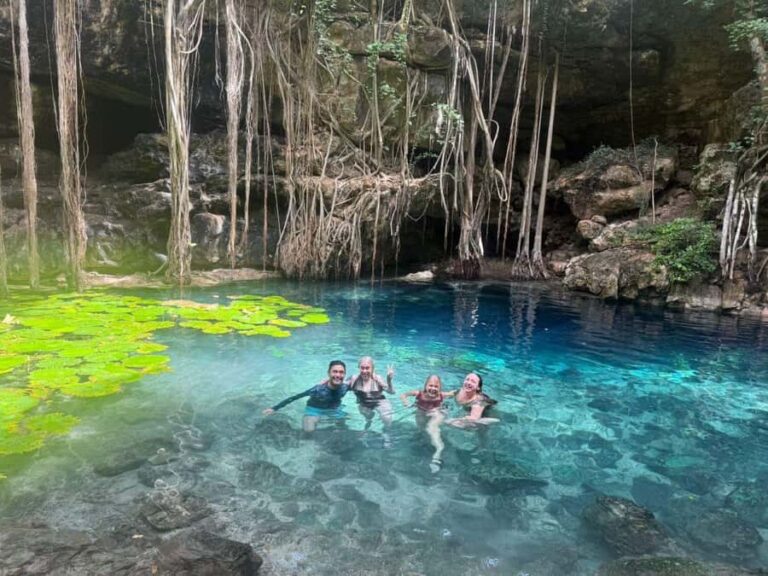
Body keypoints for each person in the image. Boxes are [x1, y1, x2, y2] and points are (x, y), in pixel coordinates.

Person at [263, 360, 349, 433]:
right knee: (309, 432)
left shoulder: (345, 387)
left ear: (345, 374)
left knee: (344, 428)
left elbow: (357, 379)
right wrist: (274, 408)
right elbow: (295, 397)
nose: (338, 375)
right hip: (314, 410)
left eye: (341, 372)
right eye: (335, 371)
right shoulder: (318, 390)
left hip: (334, 410)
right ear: (328, 373)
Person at [400, 374, 455, 473]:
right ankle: (424, 439)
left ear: (440, 388)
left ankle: (437, 454)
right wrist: (406, 403)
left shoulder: (441, 395)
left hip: (434, 415)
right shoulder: (419, 394)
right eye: (430, 385)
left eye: (436, 386)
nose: (433, 388)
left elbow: (452, 394)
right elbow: (403, 395)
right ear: (425, 386)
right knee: (421, 429)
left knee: (432, 429)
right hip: (421, 414)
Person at [348, 356, 395, 447]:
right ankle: (367, 426)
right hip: (364, 403)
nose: (364, 371)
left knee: (386, 417)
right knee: (368, 416)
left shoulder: (377, 378)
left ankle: (386, 434)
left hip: (379, 401)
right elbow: (341, 385)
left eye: (367, 368)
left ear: (372, 368)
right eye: (362, 368)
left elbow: (392, 392)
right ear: (359, 368)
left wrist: (389, 380)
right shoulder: (354, 379)